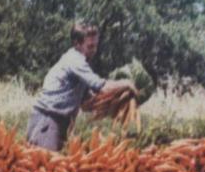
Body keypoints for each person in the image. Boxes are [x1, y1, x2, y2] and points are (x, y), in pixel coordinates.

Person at [26, 22, 136, 151]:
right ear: (77, 44)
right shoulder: (75, 60)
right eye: (90, 46)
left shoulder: (81, 64)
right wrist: (126, 84)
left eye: (96, 46)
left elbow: (87, 104)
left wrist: (113, 105)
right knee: (44, 165)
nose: (94, 50)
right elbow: (101, 86)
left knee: (51, 166)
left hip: (61, 122)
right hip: (48, 119)